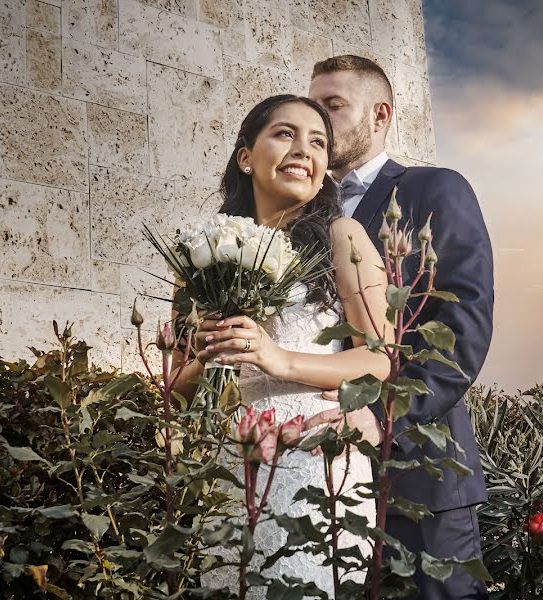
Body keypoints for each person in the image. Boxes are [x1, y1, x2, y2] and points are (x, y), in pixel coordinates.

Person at [170, 94, 390, 597]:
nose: (304, 150)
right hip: (227, 465)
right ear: (246, 155)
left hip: (315, 458)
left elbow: (380, 358)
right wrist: (205, 358)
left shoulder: (343, 237)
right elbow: (175, 391)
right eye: (285, 134)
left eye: (317, 142)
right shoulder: (200, 255)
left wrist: (277, 357)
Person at [306, 55, 494, 599]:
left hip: (419, 471)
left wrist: (381, 414)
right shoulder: (299, 216)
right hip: (316, 480)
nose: (318, 119)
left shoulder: (434, 191)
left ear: (380, 113)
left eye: (333, 105)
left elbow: (462, 322)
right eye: (312, 104)